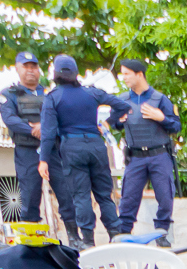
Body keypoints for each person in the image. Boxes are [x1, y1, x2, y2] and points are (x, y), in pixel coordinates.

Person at [38, 55, 127, 250]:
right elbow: (122, 105)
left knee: (81, 196)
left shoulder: (53, 98)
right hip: (96, 145)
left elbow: (48, 133)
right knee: (104, 194)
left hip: (72, 147)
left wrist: (43, 160)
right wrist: (107, 123)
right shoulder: (91, 93)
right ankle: (116, 235)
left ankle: (87, 240)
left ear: (55, 74)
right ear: (76, 73)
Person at [110, 58, 181, 245]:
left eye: (126, 73)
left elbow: (176, 126)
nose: (123, 77)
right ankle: (123, 234)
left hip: (159, 155)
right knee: (128, 198)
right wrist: (119, 120)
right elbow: (113, 124)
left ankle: (162, 233)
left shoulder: (160, 99)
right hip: (135, 157)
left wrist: (161, 118)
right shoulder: (123, 100)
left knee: (165, 196)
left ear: (139, 74)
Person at [0, 51, 48, 224]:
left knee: (65, 191)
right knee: (30, 194)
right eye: (25, 67)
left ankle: (75, 236)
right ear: (17, 69)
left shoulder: (50, 93)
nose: (30, 70)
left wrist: (45, 128)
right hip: (27, 150)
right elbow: (10, 119)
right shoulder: (9, 94)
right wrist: (32, 129)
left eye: (33, 66)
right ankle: (31, 237)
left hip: (53, 149)